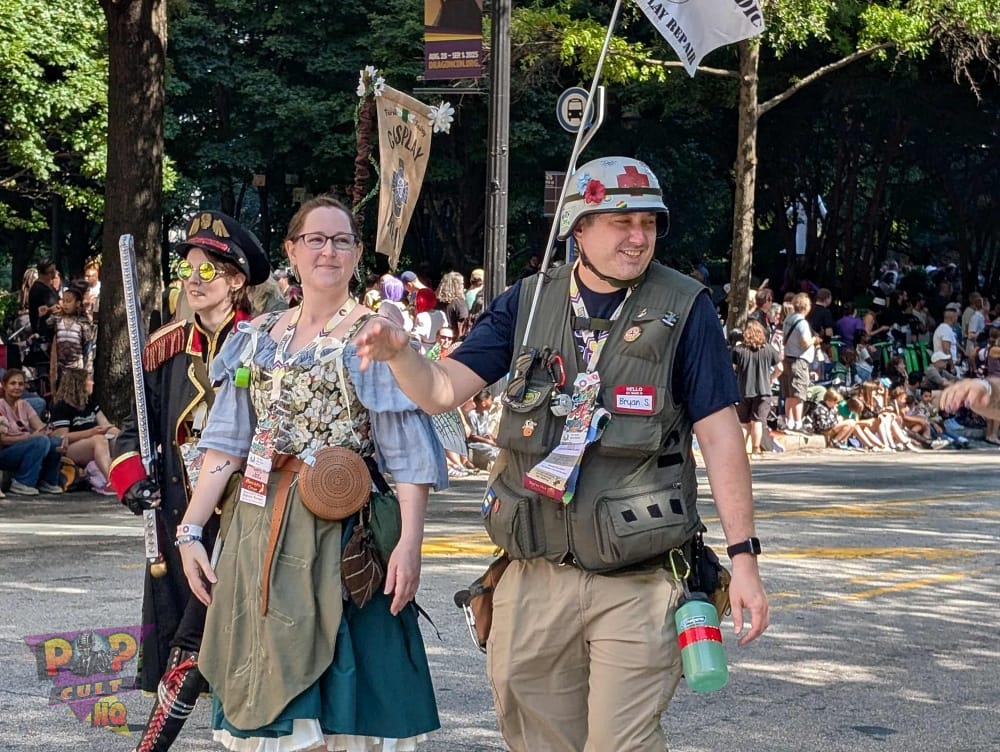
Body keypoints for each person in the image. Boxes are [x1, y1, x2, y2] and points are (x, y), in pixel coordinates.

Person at [356, 156, 769, 752]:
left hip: (640, 577)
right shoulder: (527, 304)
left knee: (619, 743)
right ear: (578, 227)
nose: (638, 236)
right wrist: (401, 355)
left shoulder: (685, 308)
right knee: (534, 736)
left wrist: (745, 558)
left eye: (649, 223)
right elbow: (443, 389)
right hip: (532, 574)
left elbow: (722, 437)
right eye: (620, 221)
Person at [177, 196, 444, 751]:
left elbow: (406, 453)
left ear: (356, 254)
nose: (329, 250)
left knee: (345, 712)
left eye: (341, 240)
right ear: (292, 251)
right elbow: (226, 444)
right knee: (270, 694)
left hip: (343, 532)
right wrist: (191, 529)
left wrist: (411, 544)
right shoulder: (257, 336)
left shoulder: (373, 338)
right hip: (258, 530)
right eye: (316, 240)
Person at [108, 210, 271, 752]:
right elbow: (134, 426)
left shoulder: (264, 343)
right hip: (179, 504)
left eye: (209, 272)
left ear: (236, 282)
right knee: (180, 612)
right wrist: (132, 480)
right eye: (189, 270)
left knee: (229, 626)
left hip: (248, 505)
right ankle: (171, 710)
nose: (194, 281)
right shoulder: (162, 346)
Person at [48, 367, 119, 492]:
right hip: (70, 448)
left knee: (118, 438)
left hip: (92, 442)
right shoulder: (61, 406)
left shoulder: (90, 403)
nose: (93, 383)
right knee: (99, 440)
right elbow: (62, 436)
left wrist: (120, 434)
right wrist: (90, 433)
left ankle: (128, 476)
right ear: (78, 383)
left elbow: (106, 425)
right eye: (89, 380)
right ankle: (111, 481)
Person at [0, 369, 66, 496]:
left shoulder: (24, 405)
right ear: (4, 386)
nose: (17, 387)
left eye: (20, 384)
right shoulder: (1, 405)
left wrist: (58, 436)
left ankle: (48, 482)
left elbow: (40, 427)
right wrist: (29, 438)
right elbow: (2, 440)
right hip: (6, 451)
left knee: (56, 442)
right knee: (40, 442)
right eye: (13, 384)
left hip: (25, 446)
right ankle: (22, 482)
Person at [731, 318, 782, 456]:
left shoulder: (738, 350)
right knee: (757, 421)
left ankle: (740, 450)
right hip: (763, 390)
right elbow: (780, 368)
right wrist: (771, 379)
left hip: (743, 390)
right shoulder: (769, 349)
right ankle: (755, 449)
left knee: (743, 423)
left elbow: (731, 369)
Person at [48, 279, 95, 390]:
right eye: (63, 301)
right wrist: (48, 312)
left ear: (78, 303)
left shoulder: (83, 322)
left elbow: (88, 349)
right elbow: (45, 326)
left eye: (69, 301)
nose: (65, 304)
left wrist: (88, 374)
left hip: (77, 367)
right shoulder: (57, 320)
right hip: (60, 368)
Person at [781, 293, 817, 433]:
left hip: (788, 358)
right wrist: (815, 340)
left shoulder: (788, 319)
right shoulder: (802, 323)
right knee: (799, 393)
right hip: (799, 360)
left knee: (789, 392)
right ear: (806, 307)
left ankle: (788, 421)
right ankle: (797, 422)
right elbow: (805, 343)